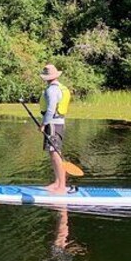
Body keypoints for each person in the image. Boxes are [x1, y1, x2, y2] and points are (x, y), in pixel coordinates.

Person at [39, 64, 71, 193]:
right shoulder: (59, 87)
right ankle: (57, 182)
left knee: (55, 153)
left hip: (52, 124)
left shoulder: (51, 90)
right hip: (57, 123)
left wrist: (44, 123)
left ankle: (61, 186)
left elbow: (51, 108)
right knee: (54, 153)